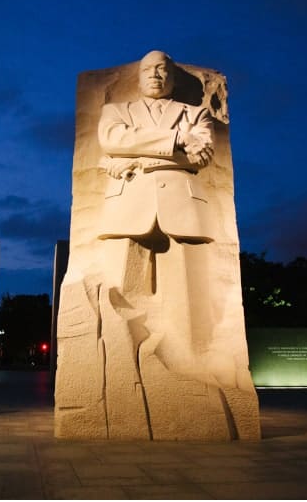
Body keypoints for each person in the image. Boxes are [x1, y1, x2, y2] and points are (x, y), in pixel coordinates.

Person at [96, 50, 229, 382]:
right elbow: (112, 140)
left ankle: (190, 368)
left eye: (162, 69)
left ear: (172, 77)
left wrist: (137, 158)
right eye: (147, 69)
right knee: (120, 294)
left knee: (186, 299)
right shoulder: (116, 110)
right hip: (128, 206)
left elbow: (202, 157)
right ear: (138, 76)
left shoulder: (196, 114)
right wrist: (175, 140)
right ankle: (121, 371)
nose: (155, 74)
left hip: (182, 207)